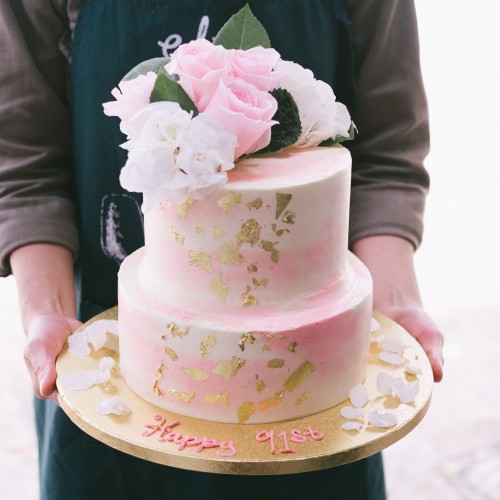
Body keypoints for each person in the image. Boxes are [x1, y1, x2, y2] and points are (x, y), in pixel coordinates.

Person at [0, 0, 444, 499]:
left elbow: (386, 155)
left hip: (315, 389)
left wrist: (394, 301)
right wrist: (48, 313)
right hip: (113, 364)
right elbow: (24, 163)